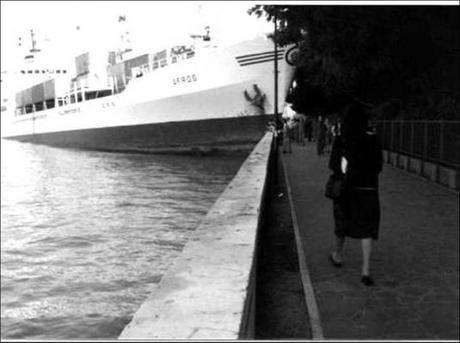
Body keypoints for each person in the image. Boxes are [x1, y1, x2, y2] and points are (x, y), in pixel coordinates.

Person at [328, 103, 383, 286]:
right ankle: (366, 271)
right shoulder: (373, 140)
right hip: (369, 190)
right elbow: (378, 167)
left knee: (342, 222)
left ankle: (337, 254)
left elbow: (334, 165)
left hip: (348, 189)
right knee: (367, 229)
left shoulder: (342, 140)